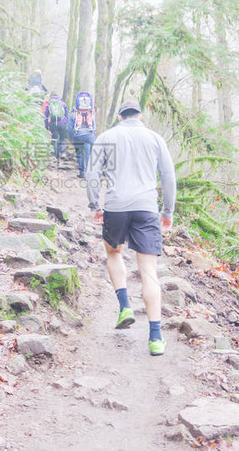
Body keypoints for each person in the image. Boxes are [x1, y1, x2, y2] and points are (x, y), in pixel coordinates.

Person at [86, 101, 176, 356]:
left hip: (115, 206)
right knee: (149, 271)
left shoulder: (107, 136)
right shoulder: (155, 138)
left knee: (113, 252)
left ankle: (124, 305)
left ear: (119, 116)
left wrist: (95, 205)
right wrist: (167, 211)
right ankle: (155, 337)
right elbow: (168, 176)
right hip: (147, 208)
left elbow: (92, 173)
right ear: (140, 116)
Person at [71, 91, 96, 178]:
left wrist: (72, 139)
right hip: (89, 135)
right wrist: (93, 137)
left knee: (79, 154)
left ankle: (82, 172)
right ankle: (88, 172)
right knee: (88, 154)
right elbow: (94, 126)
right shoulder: (91, 113)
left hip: (78, 135)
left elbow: (70, 127)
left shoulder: (74, 113)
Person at [44, 93, 69, 161]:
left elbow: (45, 117)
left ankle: (55, 155)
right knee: (62, 139)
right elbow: (66, 115)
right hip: (62, 123)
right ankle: (63, 152)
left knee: (55, 139)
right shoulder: (63, 104)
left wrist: (46, 127)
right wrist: (66, 124)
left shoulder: (48, 105)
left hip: (53, 124)